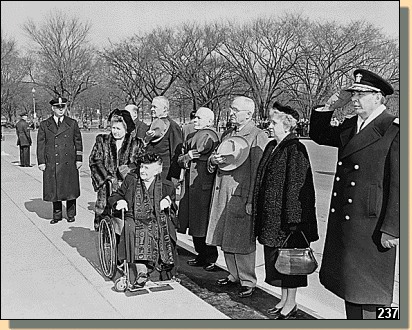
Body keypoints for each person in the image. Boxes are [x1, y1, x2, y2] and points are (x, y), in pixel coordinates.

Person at [309, 69, 399, 319]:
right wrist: (330, 105)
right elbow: (319, 135)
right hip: (348, 223)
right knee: (351, 291)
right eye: (353, 93)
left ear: (379, 98)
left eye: (362, 94)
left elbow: (401, 186)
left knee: (369, 295)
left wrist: (393, 228)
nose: (355, 98)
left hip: (372, 225)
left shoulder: (393, 130)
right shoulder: (352, 126)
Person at [253, 103, 319, 319]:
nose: (269, 126)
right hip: (272, 218)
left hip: (288, 221)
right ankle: (283, 300)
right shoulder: (273, 146)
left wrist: (294, 220)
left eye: (273, 123)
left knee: (290, 263)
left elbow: (298, 186)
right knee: (277, 262)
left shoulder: (296, 148)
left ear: (287, 125)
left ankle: (291, 303)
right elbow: (261, 181)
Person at [206, 96, 269, 298]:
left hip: (240, 196)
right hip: (222, 193)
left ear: (248, 114)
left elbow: (258, 172)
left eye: (235, 109)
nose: (231, 112)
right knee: (226, 238)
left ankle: (248, 280)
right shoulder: (227, 133)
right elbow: (214, 161)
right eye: (231, 109)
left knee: (242, 241)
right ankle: (233, 275)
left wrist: (252, 200)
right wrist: (212, 161)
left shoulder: (257, 136)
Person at [108, 152, 178, 290]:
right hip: (133, 216)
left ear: (158, 169)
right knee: (133, 229)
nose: (142, 171)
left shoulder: (167, 185)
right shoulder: (131, 179)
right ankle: (142, 272)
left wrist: (168, 201)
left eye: (147, 168)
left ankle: (160, 268)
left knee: (164, 228)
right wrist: (119, 200)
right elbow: (116, 195)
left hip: (156, 218)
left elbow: (173, 208)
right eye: (141, 167)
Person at [89, 108, 146, 231]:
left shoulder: (136, 144)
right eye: (113, 128)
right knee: (105, 223)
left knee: (125, 222)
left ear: (126, 129)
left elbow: (142, 162)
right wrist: (107, 177)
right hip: (106, 189)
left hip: (127, 188)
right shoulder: (102, 141)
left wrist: (128, 170)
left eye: (118, 129)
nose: (115, 132)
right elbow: (94, 160)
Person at [178, 107, 219, 272]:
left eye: (199, 118)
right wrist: (187, 157)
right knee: (194, 223)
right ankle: (200, 255)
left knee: (203, 223)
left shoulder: (212, 136)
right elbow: (180, 159)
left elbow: (206, 150)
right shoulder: (190, 136)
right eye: (195, 118)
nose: (195, 120)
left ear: (209, 121)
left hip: (203, 187)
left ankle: (210, 257)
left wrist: (190, 155)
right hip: (190, 186)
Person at [37, 97, 83, 224]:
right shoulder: (44, 125)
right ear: (53, 108)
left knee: (70, 190)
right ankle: (56, 216)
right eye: (58, 107)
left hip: (69, 161)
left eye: (63, 107)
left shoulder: (72, 123)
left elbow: (78, 142)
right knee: (54, 190)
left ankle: (71, 214)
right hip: (52, 162)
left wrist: (79, 159)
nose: (61, 109)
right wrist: (41, 162)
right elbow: (40, 145)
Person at [145, 96, 183, 185]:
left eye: (155, 107)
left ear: (165, 109)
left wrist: (174, 176)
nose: (151, 109)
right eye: (151, 106)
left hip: (165, 174)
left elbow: (176, 152)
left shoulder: (173, 126)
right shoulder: (152, 125)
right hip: (151, 172)